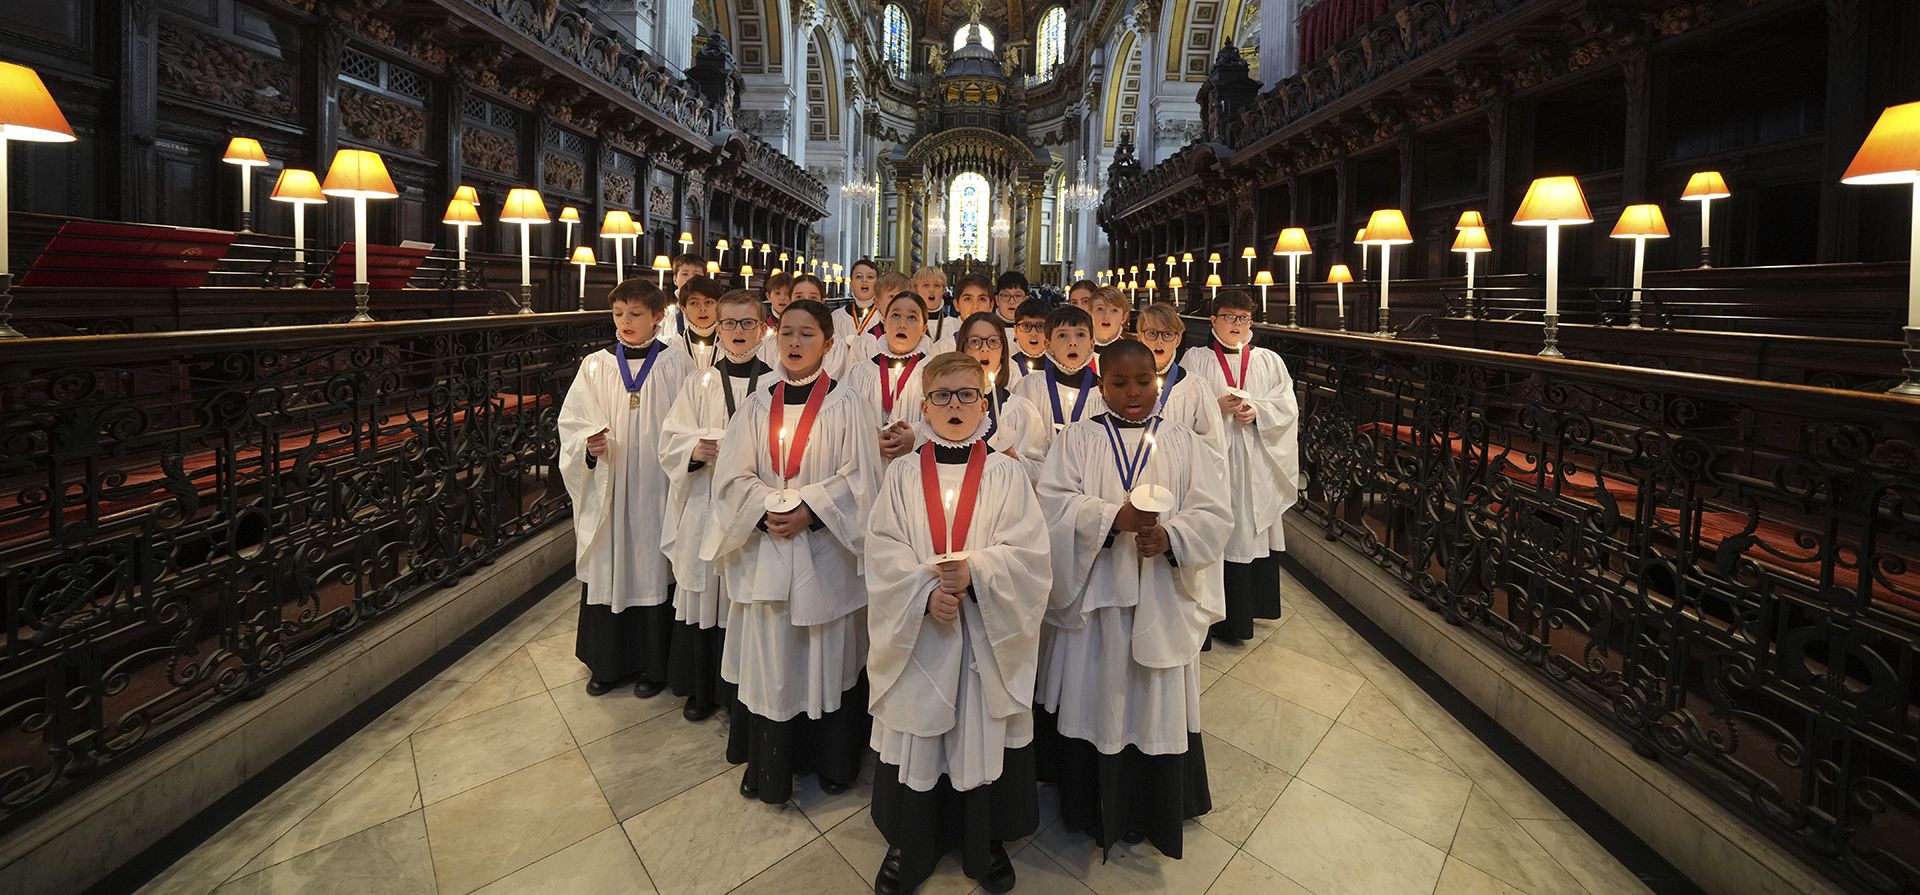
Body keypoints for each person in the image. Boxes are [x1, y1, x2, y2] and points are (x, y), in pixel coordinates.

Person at [1032, 339, 1229, 859]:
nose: (1133, 392)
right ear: (1101, 386)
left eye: (1143, 381)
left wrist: (1172, 539)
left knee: (1150, 696)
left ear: (1157, 380)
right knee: (1095, 691)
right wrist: (1110, 518)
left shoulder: (1184, 442)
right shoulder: (1077, 439)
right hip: (1096, 600)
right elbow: (1051, 505)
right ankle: (1085, 800)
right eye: (1118, 383)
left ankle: (1148, 803)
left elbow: (1213, 514)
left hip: (1160, 596)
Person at [865, 352, 1051, 895]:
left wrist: (977, 572)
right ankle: (909, 839)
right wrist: (923, 594)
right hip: (921, 636)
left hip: (983, 636)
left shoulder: (1006, 472)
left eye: (966, 395)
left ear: (985, 405)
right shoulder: (901, 473)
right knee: (919, 734)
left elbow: (1031, 555)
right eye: (942, 395)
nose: (954, 405)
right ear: (923, 406)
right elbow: (881, 551)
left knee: (979, 731)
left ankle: (984, 837)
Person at [702, 299, 880, 803]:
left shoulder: (848, 404)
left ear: (829, 343)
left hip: (825, 553)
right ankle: (769, 759)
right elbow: (731, 476)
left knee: (823, 652)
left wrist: (812, 511)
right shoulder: (759, 403)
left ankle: (831, 758)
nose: (795, 343)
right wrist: (764, 510)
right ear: (774, 341)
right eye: (787, 335)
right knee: (772, 656)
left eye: (807, 334)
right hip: (767, 549)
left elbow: (863, 479)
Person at [557, 278, 697, 699]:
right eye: (619, 314)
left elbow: (691, 424)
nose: (625, 322)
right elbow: (572, 423)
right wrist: (588, 444)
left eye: (635, 314)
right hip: (611, 485)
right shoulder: (595, 365)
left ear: (659, 316)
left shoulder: (678, 366)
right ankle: (607, 663)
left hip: (656, 486)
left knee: (652, 565)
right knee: (610, 561)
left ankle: (654, 667)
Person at [659, 289, 771, 721]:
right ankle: (701, 688)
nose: (738, 332)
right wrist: (693, 449)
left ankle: (740, 691)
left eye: (748, 324)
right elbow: (670, 438)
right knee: (707, 593)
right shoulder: (700, 382)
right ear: (717, 328)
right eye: (729, 323)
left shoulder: (777, 383)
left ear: (763, 329)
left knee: (744, 598)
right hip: (706, 504)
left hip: (751, 510)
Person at [1177, 289, 1299, 645]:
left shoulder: (1268, 360)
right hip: (1214, 460)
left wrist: (1257, 410)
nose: (1236, 324)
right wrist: (1216, 406)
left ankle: (1242, 615)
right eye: (1229, 317)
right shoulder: (1196, 359)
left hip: (1252, 461)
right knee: (1216, 525)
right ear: (1213, 320)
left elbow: (1286, 404)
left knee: (1247, 528)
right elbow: (1182, 404)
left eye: (1243, 318)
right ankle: (1210, 615)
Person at [898, 313, 1048, 469]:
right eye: (975, 342)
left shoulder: (1021, 411)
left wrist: (1015, 460)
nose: (984, 349)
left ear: (1003, 351)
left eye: (993, 342)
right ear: (962, 348)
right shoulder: (941, 404)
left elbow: (1041, 472)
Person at [847, 292, 934, 463]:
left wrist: (916, 435)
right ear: (885, 322)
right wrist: (870, 441)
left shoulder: (935, 372)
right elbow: (845, 421)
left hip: (914, 469)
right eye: (895, 316)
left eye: (912, 318)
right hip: (870, 468)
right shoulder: (859, 373)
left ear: (923, 328)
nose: (902, 324)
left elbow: (945, 419)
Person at [1009, 304, 1104, 460]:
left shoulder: (1103, 392)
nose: (1072, 342)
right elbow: (1022, 444)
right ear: (1048, 345)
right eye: (1062, 336)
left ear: (1091, 345)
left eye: (1080, 335)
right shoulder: (1030, 387)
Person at [1134, 303, 1224, 462]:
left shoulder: (1194, 386)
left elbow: (1213, 444)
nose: (1159, 341)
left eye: (1167, 334)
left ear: (1178, 340)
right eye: (1152, 333)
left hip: (1179, 473)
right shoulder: (1127, 385)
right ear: (1140, 337)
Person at [667, 275, 724, 367]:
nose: (702, 309)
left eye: (708, 302)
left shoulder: (728, 347)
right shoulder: (671, 346)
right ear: (683, 308)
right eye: (694, 303)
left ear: (719, 306)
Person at [834, 258, 886, 352]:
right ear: (851, 283)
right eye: (859, 277)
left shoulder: (883, 317)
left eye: (870, 277)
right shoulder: (837, 317)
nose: (864, 280)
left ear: (878, 284)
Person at [1005, 298, 1051, 384]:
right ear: (1015, 331)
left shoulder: (1059, 368)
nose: (1033, 333)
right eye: (1026, 326)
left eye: (1040, 326)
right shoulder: (1007, 368)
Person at [914, 267, 959, 345]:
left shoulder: (955, 325)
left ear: (944, 290)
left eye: (937, 285)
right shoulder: (908, 323)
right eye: (926, 285)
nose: (931, 290)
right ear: (916, 290)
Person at [1088, 286, 1130, 360]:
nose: (1106, 316)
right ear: (1090, 314)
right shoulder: (1079, 348)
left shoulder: (1129, 353)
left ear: (1123, 318)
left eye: (1114, 310)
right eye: (1100, 309)